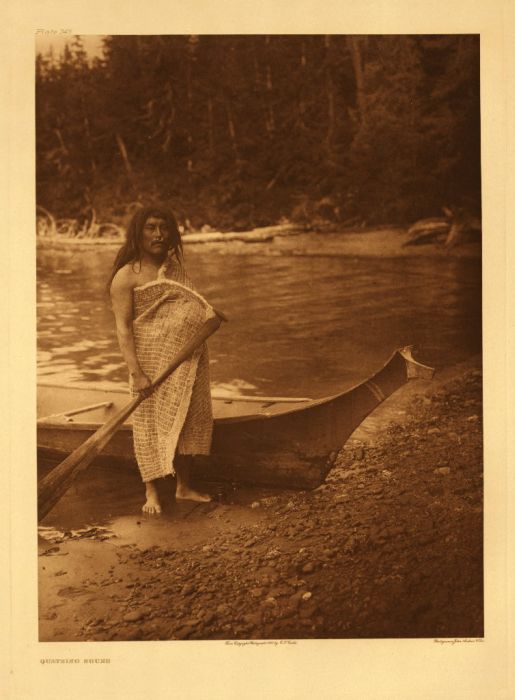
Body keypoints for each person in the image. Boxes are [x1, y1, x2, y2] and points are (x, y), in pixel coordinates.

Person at [109, 205, 218, 514]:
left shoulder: (174, 269)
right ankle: (151, 492)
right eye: (150, 228)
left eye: (163, 228)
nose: (158, 234)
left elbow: (191, 303)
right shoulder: (125, 277)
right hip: (149, 364)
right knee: (148, 424)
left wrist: (207, 315)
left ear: (171, 233)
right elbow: (124, 329)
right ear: (138, 233)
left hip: (187, 358)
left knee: (189, 417)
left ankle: (184, 486)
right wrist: (136, 373)